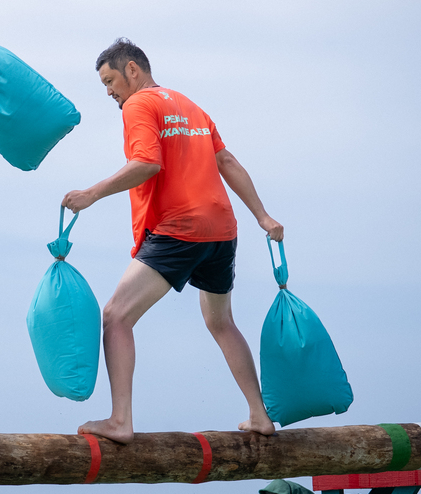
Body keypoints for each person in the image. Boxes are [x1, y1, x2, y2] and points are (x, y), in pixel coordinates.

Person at [62, 38, 283, 444]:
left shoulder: (139, 105)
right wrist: (262, 216)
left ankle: (120, 421)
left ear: (132, 69)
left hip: (179, 227)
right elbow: (227, 161)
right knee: (220, 321)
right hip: (222, 229)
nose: (109, 91)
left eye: (111, 80)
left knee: (116, 316)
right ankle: (259, 413)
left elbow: (146, 163)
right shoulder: (189, 104)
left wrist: (92, 194)